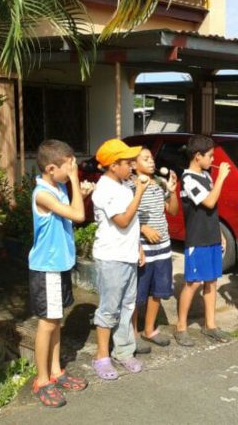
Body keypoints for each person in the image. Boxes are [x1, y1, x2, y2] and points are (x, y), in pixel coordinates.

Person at [28, 140, 90, 407]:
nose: (73, 169)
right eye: (69, 166)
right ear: (51, 169)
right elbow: (78, 216)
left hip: (60, 264)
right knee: (47, 324)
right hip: (47, 268)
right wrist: (76, 181)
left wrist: (79, 193)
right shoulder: (42, 194)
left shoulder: (59, 187)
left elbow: (71, 212)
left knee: (56, 320)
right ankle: (42, 380)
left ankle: (56, 371)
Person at [91, 139, 149, 380]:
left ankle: (123, 351)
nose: (132, 166)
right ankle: (101, 356)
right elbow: (123, 220)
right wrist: (140, 192)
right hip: (111, 257)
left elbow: (132, 225)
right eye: (127, 162)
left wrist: (138, 247)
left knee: (127, 305)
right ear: (113, 166)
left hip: (127, 254)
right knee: (109, 309)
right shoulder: (104, 189)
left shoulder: (124, 185)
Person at [175, 135, 231, 346]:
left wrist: (219, 233)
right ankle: (181, 327)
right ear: (197, 156)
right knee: (193, 283)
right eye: (210, 156)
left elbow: (212, 212)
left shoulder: (206, 175)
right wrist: (221, 178)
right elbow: (209, 202)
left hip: (211, 236)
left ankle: (210, 325)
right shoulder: (188, 179)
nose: (213, 160)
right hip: (197, 238)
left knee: (212, 281)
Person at [129, 148, 179, 354]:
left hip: (163, 246)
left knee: (157, 291)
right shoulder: (130, 186)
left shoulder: (159, 183)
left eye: (151, 158)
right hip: (142, 246)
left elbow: (173, 211)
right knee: (137, 293)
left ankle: (149, 330)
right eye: (145, 159)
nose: (151, 162)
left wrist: (172, 191)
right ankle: (132, 334)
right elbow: (125, 215)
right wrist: (143, 228)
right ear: (133, 165)